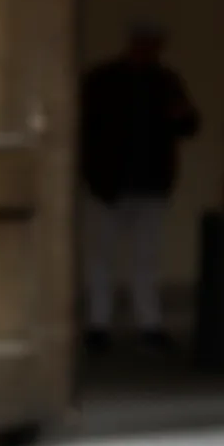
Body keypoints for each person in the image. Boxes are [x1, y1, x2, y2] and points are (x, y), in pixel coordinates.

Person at [79, 19, 200, 349]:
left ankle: (149, 322)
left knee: (147, 256)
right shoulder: (104, 80)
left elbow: (189, 124)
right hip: (108, 182)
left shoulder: (165, 81)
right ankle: (98, 323)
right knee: (102, 255)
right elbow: (84, 127)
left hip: (151, 182)